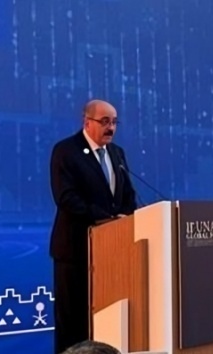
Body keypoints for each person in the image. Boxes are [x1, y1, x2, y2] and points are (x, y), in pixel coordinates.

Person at [49, 100, 137, 354]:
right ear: (87, 122)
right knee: (72, 324)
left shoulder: (117, 153)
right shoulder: (66, 151)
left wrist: (127, 217)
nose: (111, 128)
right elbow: (66, 197)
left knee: (105, 323)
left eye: (114, 122)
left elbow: (127, 194)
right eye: (105, 121)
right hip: (75, 251)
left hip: (110, 254)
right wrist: (107, 218)